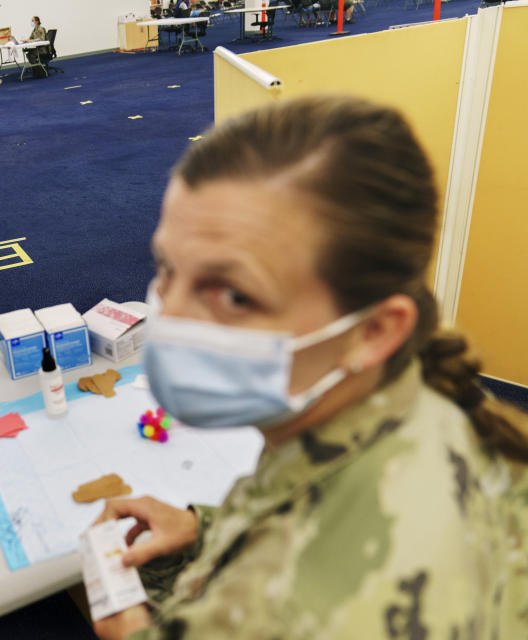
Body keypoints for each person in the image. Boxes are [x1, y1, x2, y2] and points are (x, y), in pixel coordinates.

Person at [91, 95, 528, 639]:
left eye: (232, 295)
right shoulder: (425, 399)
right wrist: (206, 532)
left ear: (373, 331)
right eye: (167, 268)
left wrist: (130, 633)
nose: (169, 319)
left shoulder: (288, 616)